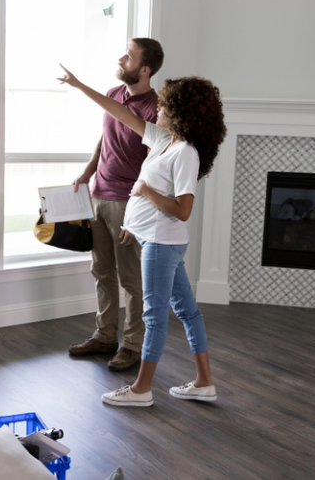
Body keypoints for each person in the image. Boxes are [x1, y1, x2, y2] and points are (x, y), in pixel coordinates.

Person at [58, 65, 227, 407]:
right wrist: (79, 86)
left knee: (154, 315)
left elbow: (182, 209)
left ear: (179, 112)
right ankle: (204, 382)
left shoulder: (186, 153)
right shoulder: (163, 140)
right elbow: (118, 111)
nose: (158, 110)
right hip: (155, 238)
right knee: (187, 311)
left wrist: (145, 191)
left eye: (164, 105)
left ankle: (141, 390)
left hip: (163, 242)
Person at [67, 39, 165, 372]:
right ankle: (104, 335)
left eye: (129, 55)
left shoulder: (156, 108)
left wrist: (137, 212)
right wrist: (87, 171)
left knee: (131, 279)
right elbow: (104, 138)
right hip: (99, 195)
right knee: (101, 272)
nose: (121, 58)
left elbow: (154, 166)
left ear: (145, 69)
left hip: (128, 204)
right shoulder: (113, 93)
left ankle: (133, 345)